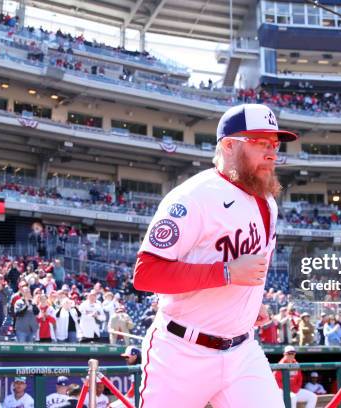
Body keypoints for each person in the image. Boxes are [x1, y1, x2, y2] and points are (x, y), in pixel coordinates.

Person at [132, 103, 298, 407]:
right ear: (230, 145)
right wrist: (227, 273)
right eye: (261, 143)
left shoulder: (266, 201)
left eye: (274, 145)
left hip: (242, 352)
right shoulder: (192, 197)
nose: (272, 153)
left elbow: (255, 262)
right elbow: (146, 274)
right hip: (182, 352)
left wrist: (249, 302)